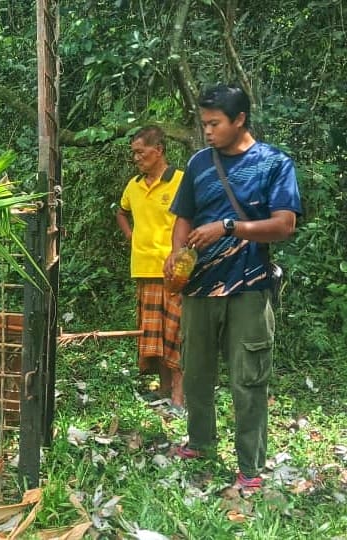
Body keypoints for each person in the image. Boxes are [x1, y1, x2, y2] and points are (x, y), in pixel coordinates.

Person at [165, 84, 302, 492]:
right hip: (200, 288)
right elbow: (184, 217)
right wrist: (176, 256)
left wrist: (228, 226)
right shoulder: (199, 163)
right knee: (197, 374)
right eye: (203, 123)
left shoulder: (274, 164)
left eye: (214, 123)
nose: (207, 131)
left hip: (249, 288)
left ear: (239, 120)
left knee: (249, 378)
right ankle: (201, 442)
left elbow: (285, 225)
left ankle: (250, 467)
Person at [116, 126, 185, 410]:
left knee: (176, 335)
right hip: (144, 270)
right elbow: (121, 212)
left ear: (158, 150)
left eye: (141, 152)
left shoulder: (181, 181)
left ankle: (180, 398)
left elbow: (193, 218)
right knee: (154, 337)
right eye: (133, 153)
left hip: (174, 273)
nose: (136, 158)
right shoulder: (134, 185)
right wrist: (132, 237)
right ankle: (164, 390)